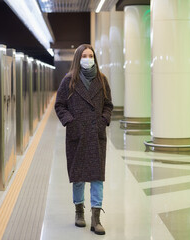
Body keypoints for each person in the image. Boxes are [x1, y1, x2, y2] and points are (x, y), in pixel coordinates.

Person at [54, 44, 113, 235]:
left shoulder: (102, 80)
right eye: (85, 55)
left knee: (97, 177)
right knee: (78, 177)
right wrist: (70, 122)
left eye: (91, 55)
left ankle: (96, 219)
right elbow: (60, 105)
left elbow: (108, 105)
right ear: (78, 58)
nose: (88, 59)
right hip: (77, 135)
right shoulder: (69, 80)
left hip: (96, 134)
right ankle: (79, 212)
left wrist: (104, 119)